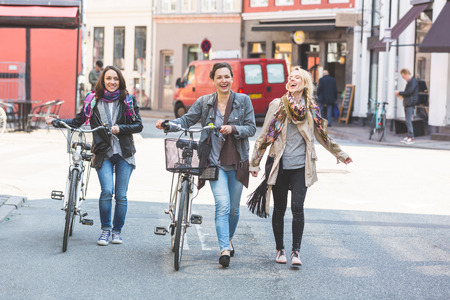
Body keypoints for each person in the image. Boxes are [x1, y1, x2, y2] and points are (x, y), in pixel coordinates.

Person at [249, 66, 352, 266]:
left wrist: (341, 154)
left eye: (297, 77)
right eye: (290, 77)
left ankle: (296, 251)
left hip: (301, 166)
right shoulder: (277, 105)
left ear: (304, 84)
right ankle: (280, 249)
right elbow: (264, 136)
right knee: (279, 209)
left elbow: (323, 137)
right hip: (279, 165)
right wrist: (255, 163)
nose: (292, 79)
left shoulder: (311, 109)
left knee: (297, 207)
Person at [156, 62, 256, 268]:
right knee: (223, 206)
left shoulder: (243, 101)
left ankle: (228, 238)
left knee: (235, 210)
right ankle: (224, 249)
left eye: (227, 76)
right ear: (213, 80)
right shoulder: (205, 102)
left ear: (232, 78)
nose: (223, 80)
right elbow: (186, 120)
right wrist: (168, 124)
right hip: (213, 161)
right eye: (219, 77)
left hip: (237, 162)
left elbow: (251, 128)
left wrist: (233, 128)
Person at [46, 65, 143, 246]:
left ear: (120, 81)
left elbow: (138, 125)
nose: (112, 82)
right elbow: (78, 121)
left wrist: (120, 128)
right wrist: (57, 122)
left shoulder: (128, 100)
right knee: (107, 191)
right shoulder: (93, 100)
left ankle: (117, 231)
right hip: (102, 152)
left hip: (124, 153)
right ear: (102, 80)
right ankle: (105, 230)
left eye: (115, 79)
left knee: (121, 195)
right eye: (108, 79)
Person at [395, 68, 419, 145]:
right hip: (408, 103)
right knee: (407, 120)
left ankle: (411, 137)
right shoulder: (410, 82)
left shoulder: (412, 82)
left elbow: (408, 92)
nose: (403, 78)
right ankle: (409, 136)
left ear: (407, 74)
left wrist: (399, 92)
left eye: (404, 76)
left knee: (408, 121)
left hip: (410, 103)